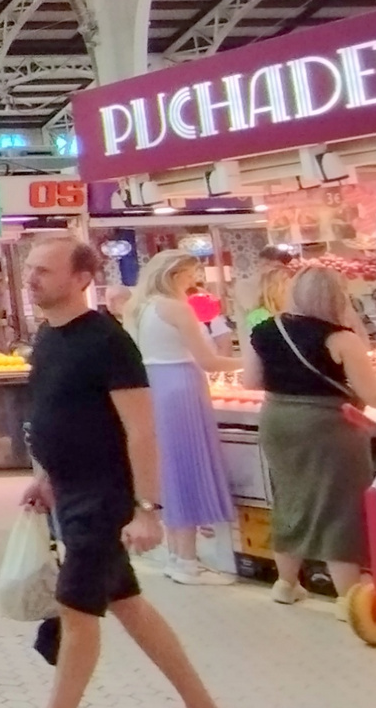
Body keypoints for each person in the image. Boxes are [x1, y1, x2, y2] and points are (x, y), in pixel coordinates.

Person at [19, 238, 221, 708]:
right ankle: (201, 702)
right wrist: (45, 478)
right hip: (68, 492)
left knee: (76, 610)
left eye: (45, 269)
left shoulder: (108, 341)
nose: (32, 277)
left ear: (81, 279)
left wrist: (147, 509)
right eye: (30, 268)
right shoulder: (48, 337)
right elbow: (55, 415)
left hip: (104, 496)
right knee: (127, 603)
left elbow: (142, 429)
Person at [246, 267, 376, 603]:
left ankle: (286, 584)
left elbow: (251, 382)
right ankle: (350, 598)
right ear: (337, 297)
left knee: (290, 499)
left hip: (278, 421)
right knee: (340, 507)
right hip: (329, 424)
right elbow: (373, 395)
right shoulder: (341, 338)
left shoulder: (263, 330)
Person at [125, 250, 243, 586]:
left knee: (171, 470)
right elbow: (209, 360)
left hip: (156, 387)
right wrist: (251, 363)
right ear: (177, 274)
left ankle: (179, 556)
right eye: (192, 274)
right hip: (183, 386)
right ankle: (188, 560)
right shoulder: (176, 309)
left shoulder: (141, 308)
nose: (196, 281)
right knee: (189, 467)